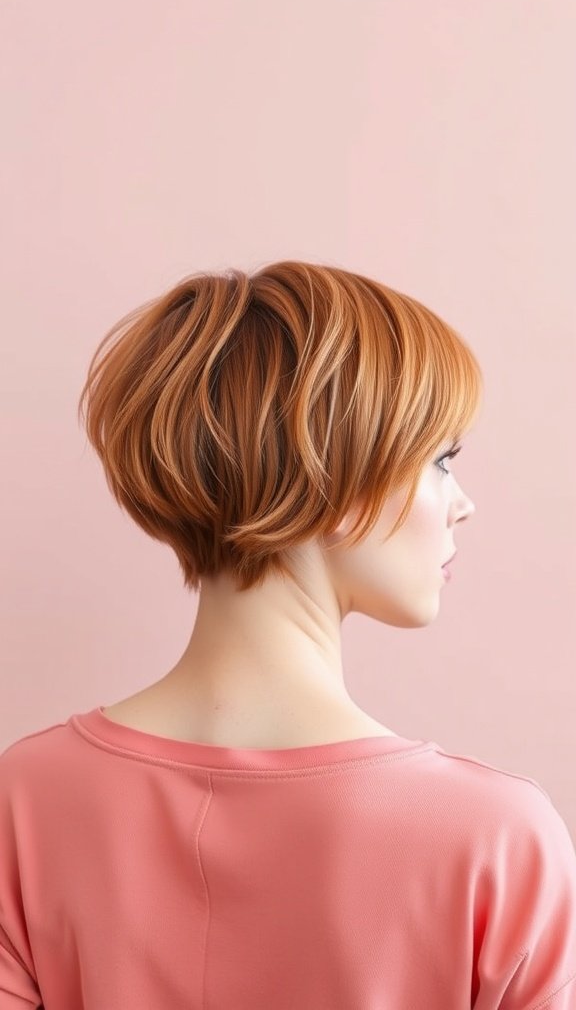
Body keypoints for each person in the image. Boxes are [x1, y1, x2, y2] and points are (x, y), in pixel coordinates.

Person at [1, 260, 575, 1007]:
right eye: (439, 462)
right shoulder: (495, 838)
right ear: (335, 480)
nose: (461, 504)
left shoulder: (28, 798)